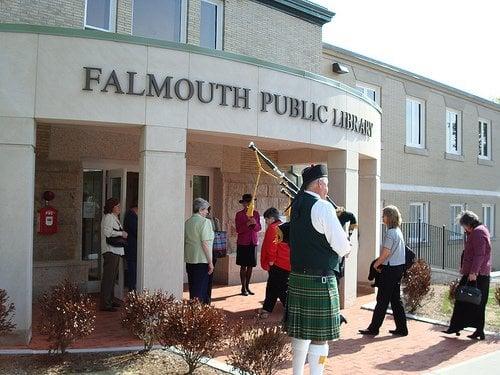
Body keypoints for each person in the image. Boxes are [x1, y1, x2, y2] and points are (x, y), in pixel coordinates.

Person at [287, 165, 351, 375]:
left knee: (300, 331)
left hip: (297, 277)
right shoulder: (323, 207)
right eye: (327, 185)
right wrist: (347, 233)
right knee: (319, 335)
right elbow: (342, 247)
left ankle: (297, 372)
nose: (328, 190)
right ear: (320, 183)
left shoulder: (296, 205)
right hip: (320, 279)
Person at [359, 205, 408, 337]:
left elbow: (386, 253)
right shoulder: (398, 231)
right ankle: (402, 328)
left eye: (384, 215)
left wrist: (376, 264)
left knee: (382, 300)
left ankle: (374, 328)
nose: (382, 217)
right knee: (395, 300)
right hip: (397, 269)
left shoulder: (391, 233)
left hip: (390, 270)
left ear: (389, 217)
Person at [442, 211, 492, 340]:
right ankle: (473, 329)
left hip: (476, 274)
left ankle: (459, 327)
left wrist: (473, 272)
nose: (463, 229)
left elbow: (479, 254)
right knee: (475, 302)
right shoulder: (479, 230)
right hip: (477, 273)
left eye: (463, 226)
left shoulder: (478, 232)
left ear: (468, 224)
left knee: (465, 299)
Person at [257, 207, 291, 319]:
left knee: (280, 289)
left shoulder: (273, 228)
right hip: (284, 262)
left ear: (271, 218)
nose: (266, 222)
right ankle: (267, 308)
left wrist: (271, 260)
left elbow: (272, 246)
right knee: (272, 287)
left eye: (266, 220)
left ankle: (291, 311)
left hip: (278, 263)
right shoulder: (282, 226)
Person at [184, 197, 215, 304]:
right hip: (202, 260)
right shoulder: (205, 222)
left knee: (193, 290)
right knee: (201, 292)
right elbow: (205, 243)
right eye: (206, 209)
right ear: (201, 209)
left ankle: (192, 314)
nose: (207, 212)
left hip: (190, 259)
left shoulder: (187, 222)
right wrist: (210, 262)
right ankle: (199, 316)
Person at [100, 197, 127, 312]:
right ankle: (105, 303)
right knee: (108, 278)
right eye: (118, 206)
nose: (120, 208)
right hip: (110, 251)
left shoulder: (114, 218)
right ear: (112, 207)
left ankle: (110, 300)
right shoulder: (109, 218)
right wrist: (121, 233)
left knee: (112, 278)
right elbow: (107, 232)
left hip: (115, 251)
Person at [235, 193, 261, 296]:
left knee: (251, 266)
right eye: (246, 203)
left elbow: (259, 228)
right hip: (243, 242)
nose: (248, 205)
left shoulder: (256, 213)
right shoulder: (239, 214)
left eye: (250, 203)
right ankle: (243, 287)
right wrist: (247, 224)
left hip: (253, 242)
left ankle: (247, 286)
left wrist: (254, 224)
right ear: (243, 203)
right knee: (243, 266)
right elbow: (238, 230)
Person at [206, 205, 222, 304]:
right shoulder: (215, 220)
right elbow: (219, 233)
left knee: (204, 275)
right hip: (214, 250)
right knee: (210, 275)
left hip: (206, 250)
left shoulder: (205, 221)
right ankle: (208, 297)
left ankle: (204, 297)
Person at [123, 201, 138, 291]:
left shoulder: (131, 215)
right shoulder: (131, 216)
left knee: (133, 270)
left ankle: (132, 289)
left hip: (132, 248)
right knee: (132, 270)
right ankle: (132, 290)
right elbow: (137, 230)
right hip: (132, 249)